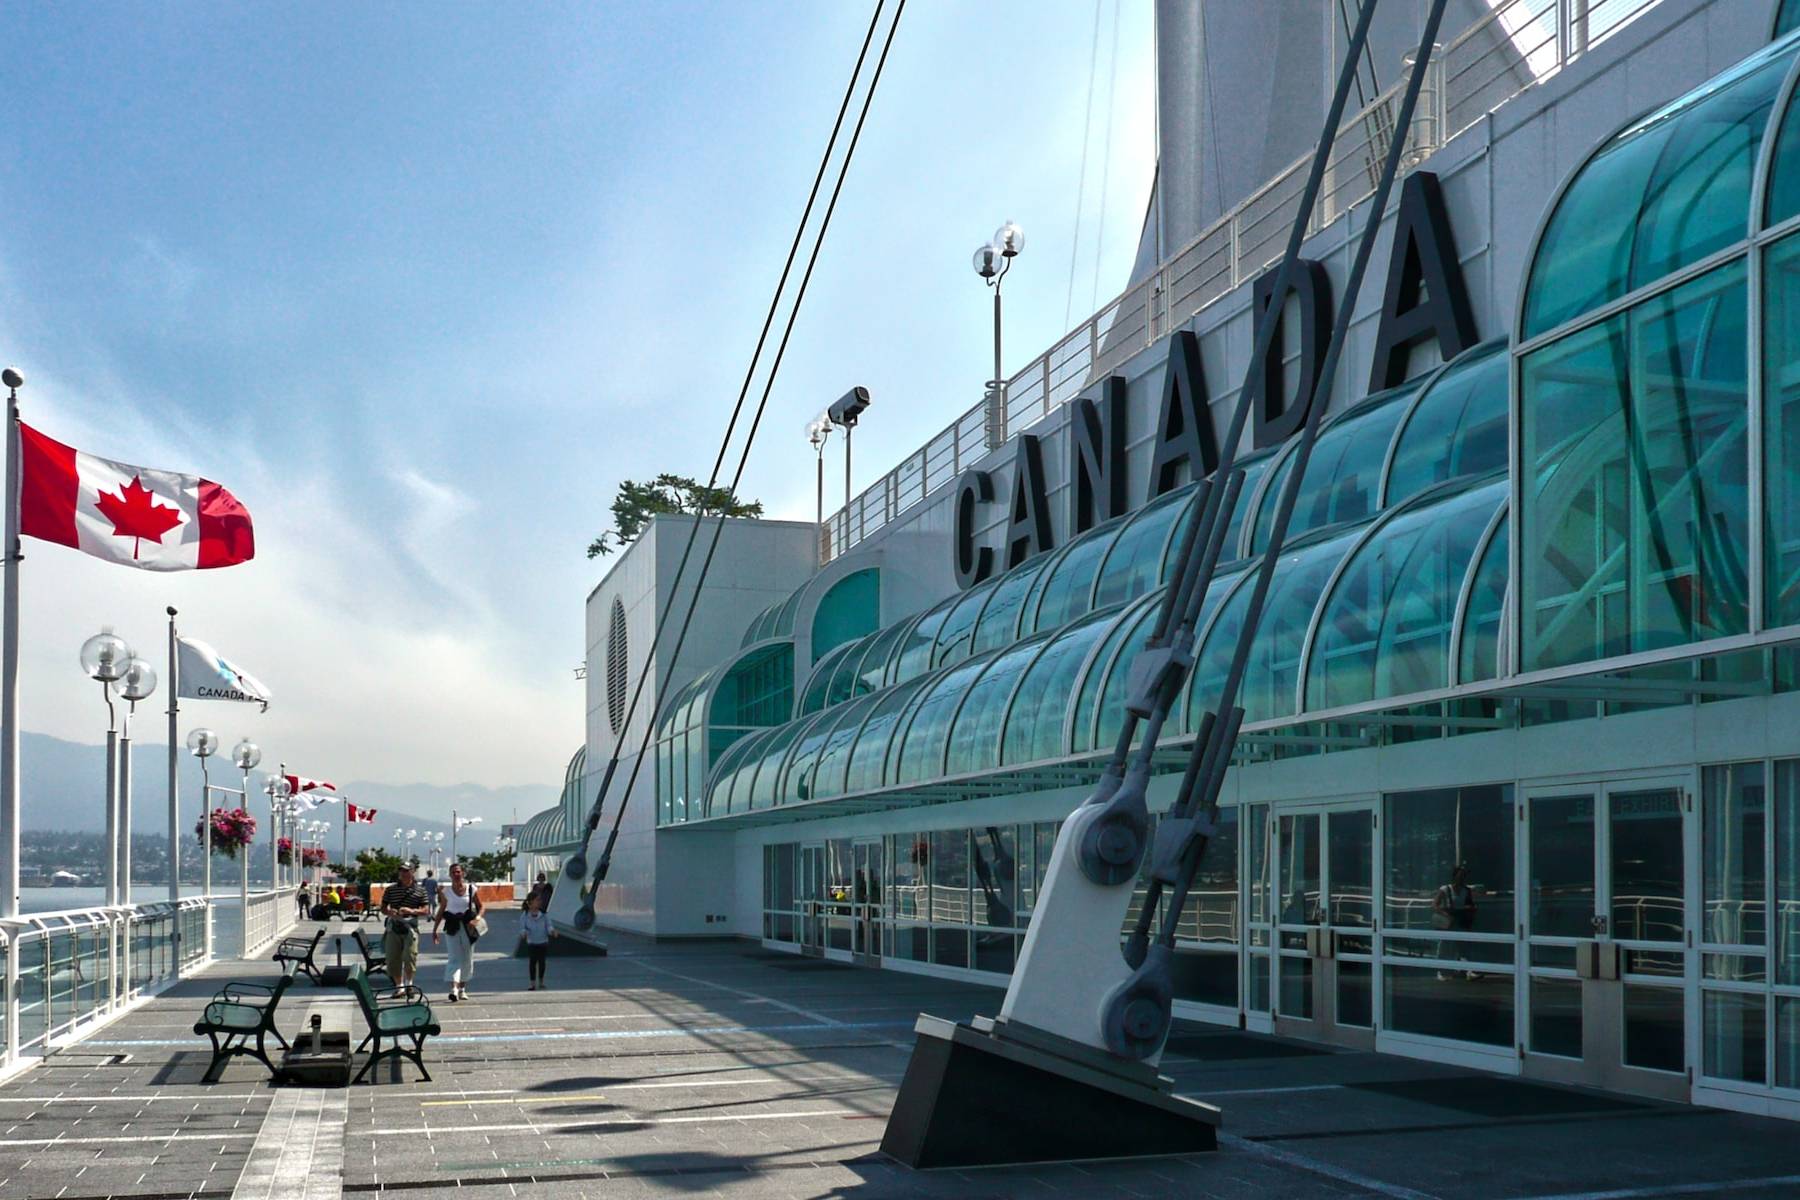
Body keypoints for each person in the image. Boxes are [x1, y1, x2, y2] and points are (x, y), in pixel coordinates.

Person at [431, 862, 483, 1002]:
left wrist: (477, 919)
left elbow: (481, 907)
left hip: (468, 927)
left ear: (463, 873)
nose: (456, 874)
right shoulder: (445, 892)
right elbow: (442, 910)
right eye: (453, 872)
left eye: (458, 871)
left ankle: (462, 988)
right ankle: (453, 989)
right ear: (450, 875)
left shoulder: (472, 889)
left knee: (467, 958)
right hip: (452, 926)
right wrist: (435, 929)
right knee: (454, 958)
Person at [381, 864, 430, 996]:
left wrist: (411, 911)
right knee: (392, 958)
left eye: (406, 871)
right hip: (394, 926)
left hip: (410, 927)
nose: (403, 873)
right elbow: (383, 907)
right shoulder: (391, 890)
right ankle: (399, 986)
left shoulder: (420, 890)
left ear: (412, 872)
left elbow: (426, 910)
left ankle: (409, 983)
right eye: (401, 871)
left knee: (410, 957)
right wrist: (390, 912)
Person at [1433, 863, 1478, 979]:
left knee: (1463, 945)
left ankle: (1469, 971)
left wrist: (1470, 908)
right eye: (1460, 875)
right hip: (1448, 921)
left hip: (1460, 920)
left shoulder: (1466, 890)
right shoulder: (1445, 889)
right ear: (1454, 876)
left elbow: (1470, 904)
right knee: (1444, 946)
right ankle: (1441, 971)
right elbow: (1435, 905)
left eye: (1463, 875)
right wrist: (1445, 914)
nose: (1461, 878)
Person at [519, 891, 555, 990]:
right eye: (537, 900)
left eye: (540, 900)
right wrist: (524, 933)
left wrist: (552, 931)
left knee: (542, 962)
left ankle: (541, 981)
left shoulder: (544, 914)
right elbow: (522, 927)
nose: (539, 902)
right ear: (530, 902)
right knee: (532, 962)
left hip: (543, 942)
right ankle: (532, 983)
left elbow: (549, 925)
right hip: (532, 942)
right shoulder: (525, 915)